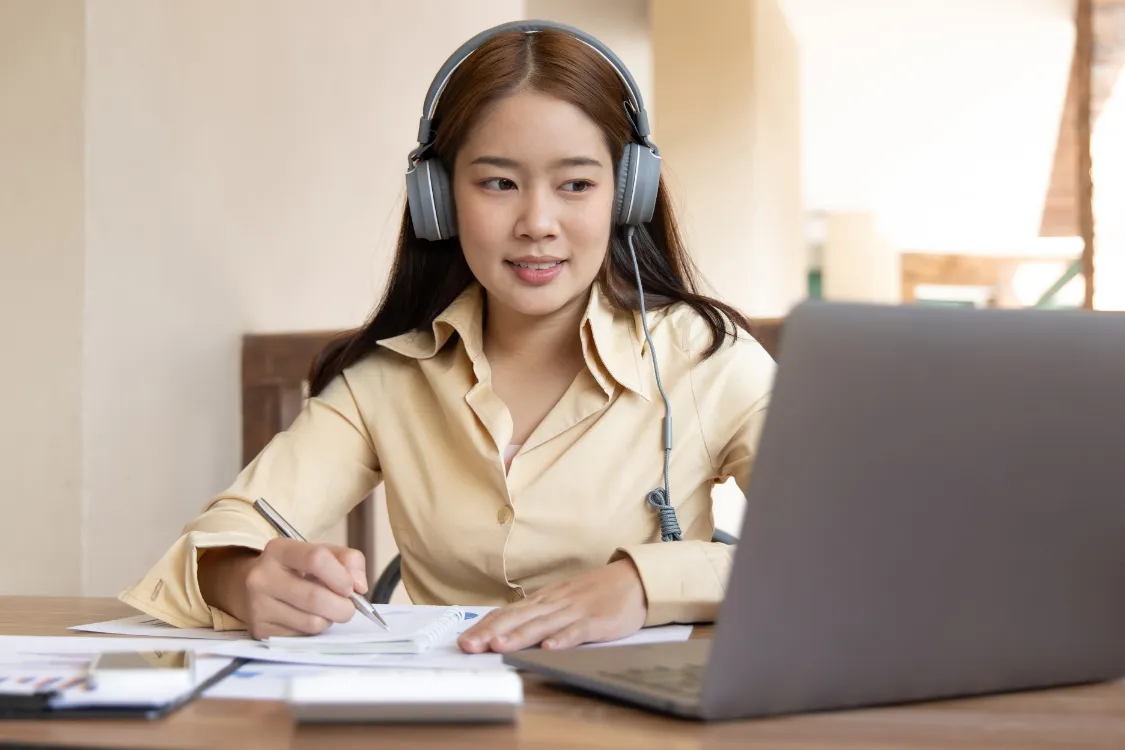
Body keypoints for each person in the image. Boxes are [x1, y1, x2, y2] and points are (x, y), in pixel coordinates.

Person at [119, 20, 776, 654]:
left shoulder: (707, 361)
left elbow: (838, 546)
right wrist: (240, 578)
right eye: (497, 183)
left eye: (576, 184)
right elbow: (220, 535)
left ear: (626, 195)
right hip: (441, 720)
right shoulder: (387, 379)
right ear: (438, 199)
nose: (537, 222)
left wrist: (644, 583)